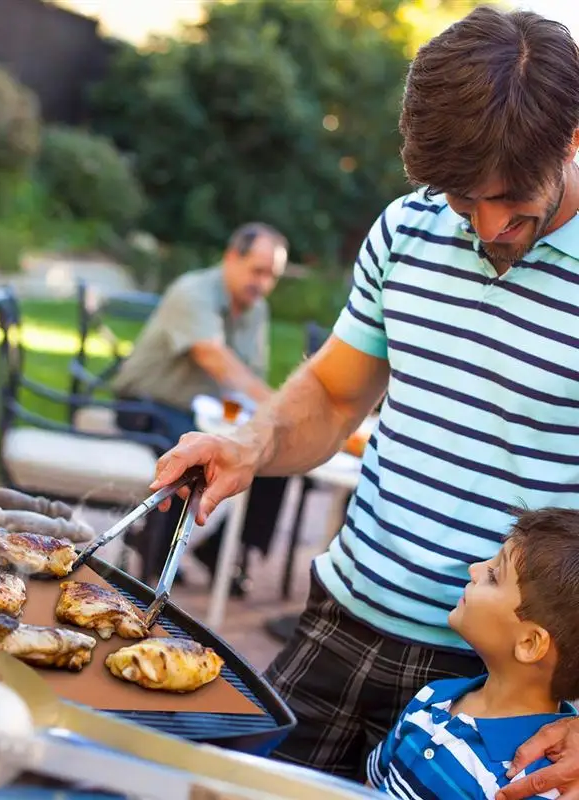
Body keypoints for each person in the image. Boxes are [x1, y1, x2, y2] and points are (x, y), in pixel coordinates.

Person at [149, 6, 579, 796]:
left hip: (511, 682)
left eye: (513, 200)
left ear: (574, 137)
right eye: (461, 199)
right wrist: (252, 443)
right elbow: (334, 394)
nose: (486, 227)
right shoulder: (405, 231)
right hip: (342, 621)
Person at [112, 222, 290, 593]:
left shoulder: (257, 311)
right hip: (146, 402)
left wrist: (270, 423)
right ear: (230, 257)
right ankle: (155, 559)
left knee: (276, 451)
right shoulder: (193, 291)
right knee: (193, 449)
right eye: (257, 270)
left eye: (272, 276)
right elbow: (216, 359)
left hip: (202, 411)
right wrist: (280, 408)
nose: (263, 283)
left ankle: (225, 550)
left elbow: (249, 375)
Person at [367, 507, 578, 799]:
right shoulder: (434, 697)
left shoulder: (530, 781)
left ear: (529, 643)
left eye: (493, 575)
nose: (474, 569)